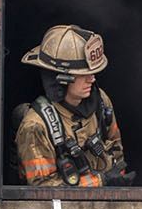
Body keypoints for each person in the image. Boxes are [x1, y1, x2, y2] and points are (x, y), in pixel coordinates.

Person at [16, 25, 134, 187]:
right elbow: (43, 188)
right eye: (84, 74)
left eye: (92, 72)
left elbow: (116, 148)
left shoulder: (101, 102)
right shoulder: (36, 126)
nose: (91, 79)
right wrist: (101, 181)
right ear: (61, 78)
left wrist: (117, 181)